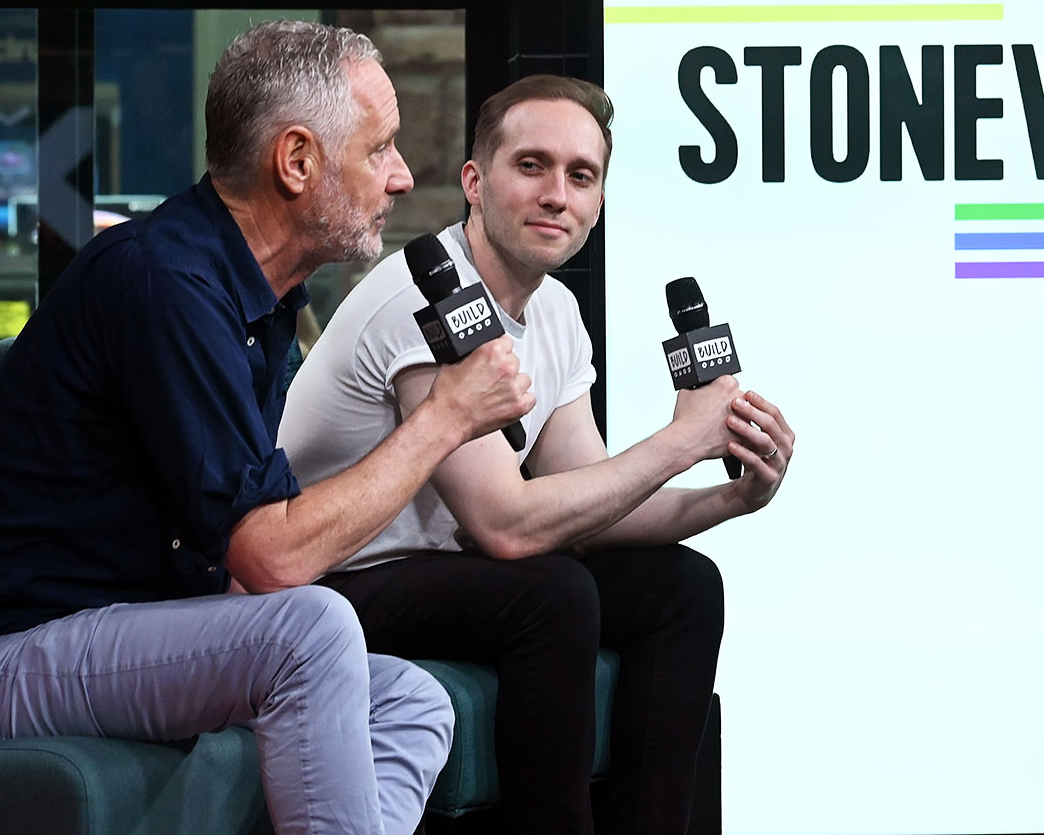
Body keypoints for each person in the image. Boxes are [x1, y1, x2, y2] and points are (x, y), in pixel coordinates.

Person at [0, 21, 535, 835]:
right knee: (311, 628)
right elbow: (273, 556)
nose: (401, 176)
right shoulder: (166, 283)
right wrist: (448, 416)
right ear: (296, 162)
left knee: (411, 702)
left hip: (101, 628)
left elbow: (237, 558)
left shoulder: (261, 297)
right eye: (379, 149)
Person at [278, 74, 795, 834]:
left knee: (683, 588)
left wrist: (726, 499)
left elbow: (584, 502)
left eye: (580, 176)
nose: (557, 193)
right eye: (532, 166)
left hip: (438, 574)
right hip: (334, 584)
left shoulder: (555, 310)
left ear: (599, 203)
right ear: (475, 183)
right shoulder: (425, 300)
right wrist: (682, 440)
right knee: (552, 592)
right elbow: (507, 527)